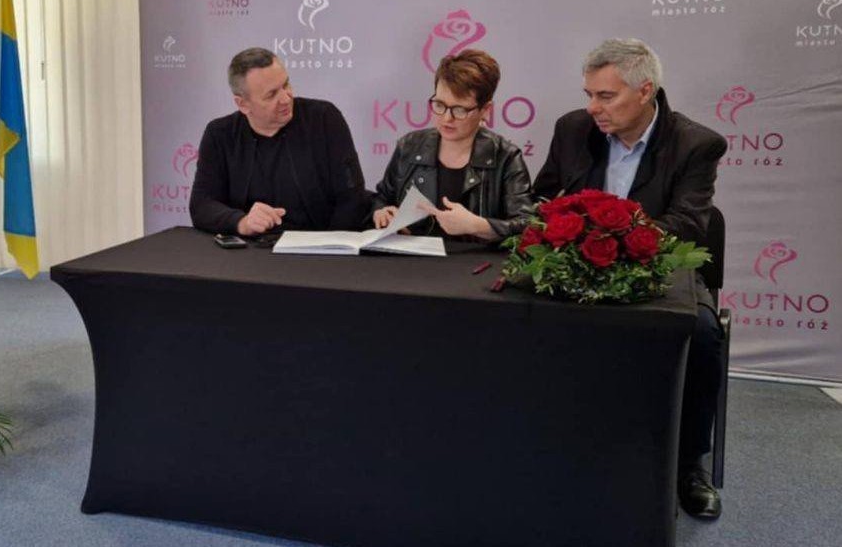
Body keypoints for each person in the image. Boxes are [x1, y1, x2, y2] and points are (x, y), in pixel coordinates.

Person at [534, 38, 728, 520]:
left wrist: (610, 237)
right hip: (580, 265)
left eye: (606, 96)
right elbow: (542, 200)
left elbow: (686, 225)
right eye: (589, 94)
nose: (592, 108)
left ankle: (689, 464)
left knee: (703, 332)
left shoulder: (696, 144)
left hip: (660, 268)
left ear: (645, 92)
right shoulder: (573, 129)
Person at [189, 47, 371, 236]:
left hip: (319, 244)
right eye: (271, 94)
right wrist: (242, 222)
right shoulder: (220, 134)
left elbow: (352, 198)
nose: (286, 98)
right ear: (243, 104)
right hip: (250, 248)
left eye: (286, 85)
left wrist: (330, 245)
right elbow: (202, 205)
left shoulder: (324, 118)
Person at [370, 49, 532, 240]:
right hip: (414, 256)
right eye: (439, 105)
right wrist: (382, 213)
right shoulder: (409, 146)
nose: (447, 118)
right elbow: (382, 198)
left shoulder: (506, 157)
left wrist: (478, 226)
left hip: (477, 257)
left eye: (459, 109)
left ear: (485, 110)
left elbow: (527, 225)